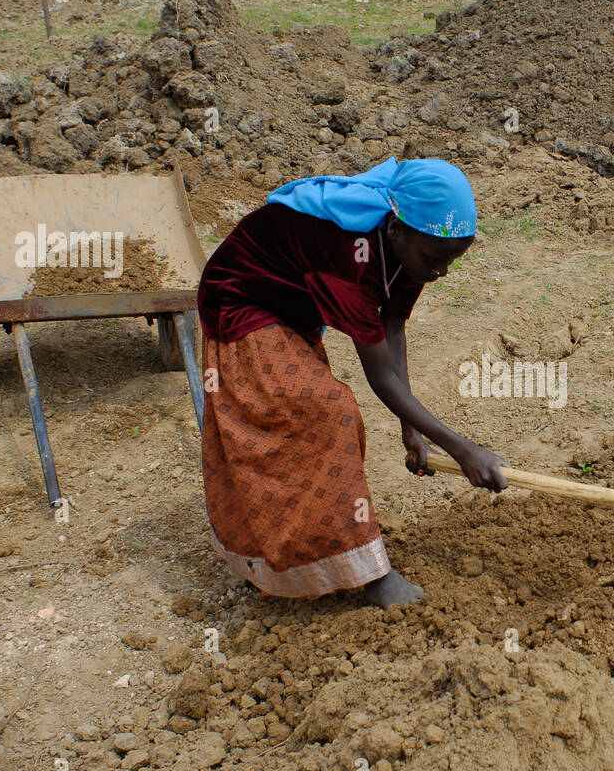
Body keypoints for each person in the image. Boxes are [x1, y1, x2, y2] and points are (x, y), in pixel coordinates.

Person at [195, 157, 508, 608]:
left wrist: (412, 431)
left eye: (450, 263)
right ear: (397, 230)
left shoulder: (408, 250)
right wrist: (463, 449)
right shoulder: (347, 250)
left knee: (305, 426)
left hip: (291, 312)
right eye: (436, 260)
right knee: (326, 413)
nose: (441, 273)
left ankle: (288, 554)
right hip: (241, 302)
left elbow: (393, 321)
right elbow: (380, 374)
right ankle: (365, 573)